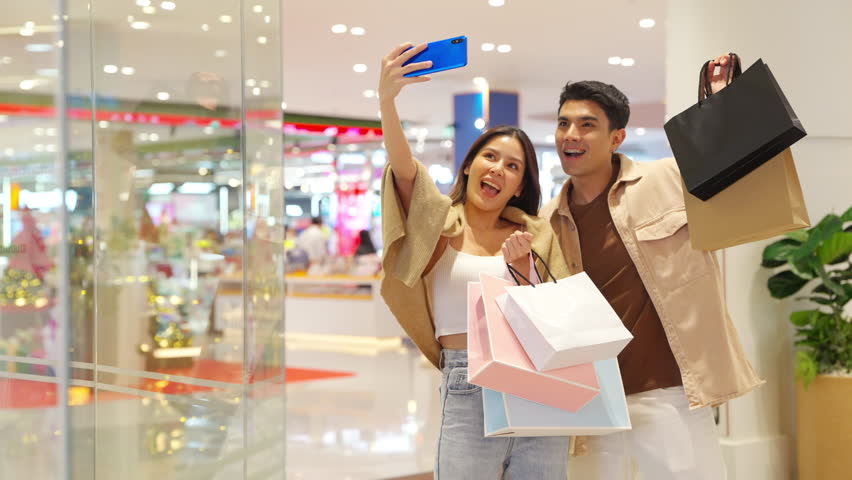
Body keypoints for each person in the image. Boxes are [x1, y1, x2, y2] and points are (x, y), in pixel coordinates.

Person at [540, 54, 762, 479]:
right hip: (593, 402)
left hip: (669, 393)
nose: (571, 134)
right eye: (564, 123)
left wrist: (723, 104)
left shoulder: (665, 180)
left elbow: (735, 172)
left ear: (616, 137)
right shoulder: (547, 220)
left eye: (587, 124)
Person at [378, 42, 572, 479]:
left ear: (520, 185)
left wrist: (524, 271)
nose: (498, 169)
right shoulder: (440, 225)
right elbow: (404, 170)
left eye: (513, 166)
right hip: (469, 380)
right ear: (469, 166)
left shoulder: (537, 234)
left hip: (539, 381)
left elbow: (557, 315)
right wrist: (387, 102)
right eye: (490, 157)